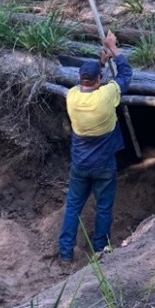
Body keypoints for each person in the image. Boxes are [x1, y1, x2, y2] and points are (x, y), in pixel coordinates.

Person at [58, 31, 133, 265]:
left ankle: (65, 253)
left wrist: (101, 62)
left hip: (80, 164)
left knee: (73, 207)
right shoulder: (106, 96)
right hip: (104, 164)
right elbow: (126, 75)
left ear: (81, 79)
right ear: (99, 81)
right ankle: (101, 249)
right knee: (104, 207)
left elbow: (89, 80)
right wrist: (114, 48)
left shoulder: (72, 97)